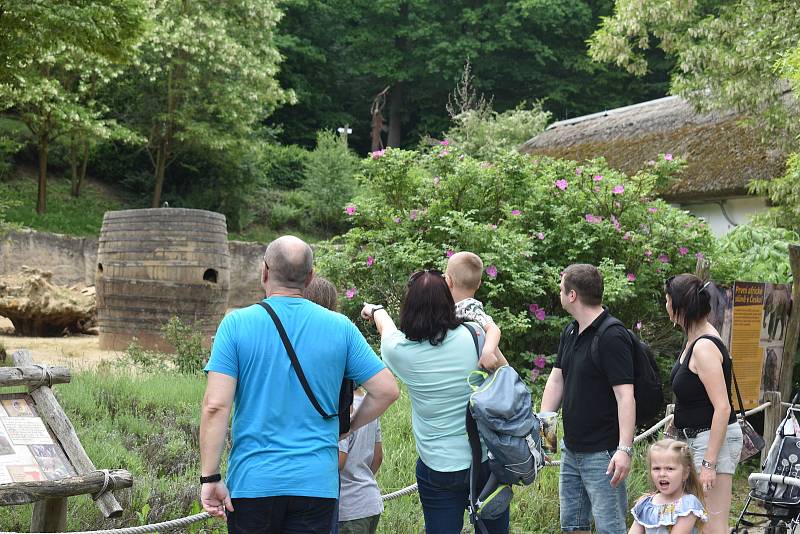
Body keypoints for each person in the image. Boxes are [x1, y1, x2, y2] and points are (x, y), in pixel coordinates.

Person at [199, 235, 399, 534]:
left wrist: (210, 477)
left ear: (264, 271)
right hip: (316, 485)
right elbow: (387, 390)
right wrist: (351, 425)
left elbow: (216, 406)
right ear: (310, 276)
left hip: (254, 482)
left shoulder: (236, 324)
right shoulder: (340, 327)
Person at [362, 269, 510, 534]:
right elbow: (507, 377)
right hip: (486, 460)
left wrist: (376, 311)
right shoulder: (475, 335)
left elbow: (387, 329)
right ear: (448, 302)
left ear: (409, 308)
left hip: (438, 467)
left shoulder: (399, 352)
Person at [541, 263, 635, 534]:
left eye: (561, 289)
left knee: (610, 528)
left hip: (603, 453)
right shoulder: (571, 331)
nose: (559, 293)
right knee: (573, 525)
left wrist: (624, 449)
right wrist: (546, 440)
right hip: (572, 449)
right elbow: (556, 380)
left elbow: (625, 396)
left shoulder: (612, 335)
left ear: (572, 295)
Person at [665, 274, 743, 534]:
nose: (665, 305)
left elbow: (722, 407)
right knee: (696, 522)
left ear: (679, 307)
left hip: (711, 443)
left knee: (712, 526)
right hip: (695, 440)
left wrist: (709, 463)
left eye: (667, 300)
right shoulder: (693, 338)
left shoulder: (704, 347)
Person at [629, 439, 707, 534]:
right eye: (656, 468)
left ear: (685, 473)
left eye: (670, 469)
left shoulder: (687, 505)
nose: (662, 474)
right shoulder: (645, 504)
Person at [444, 251, 503, 371]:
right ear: (479, 284)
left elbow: (493, 329)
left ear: (448, 281)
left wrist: (488, 352)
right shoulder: (450, 306)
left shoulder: (470, 307)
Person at [337, 387, 384, 534]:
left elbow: (339, 460)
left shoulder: (341, 409)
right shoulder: (368, 406)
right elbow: (377, 458)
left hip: (348, 508)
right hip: (369, 500)